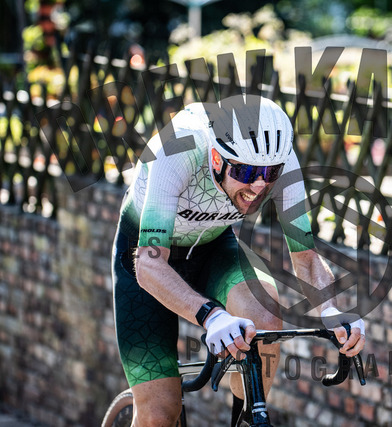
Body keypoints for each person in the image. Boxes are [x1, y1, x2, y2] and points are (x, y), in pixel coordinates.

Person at [111, 94, 365, 426]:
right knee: (160, 413)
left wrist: (331, 309)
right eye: (245, 171)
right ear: (217, 158)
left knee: (266, 318)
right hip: (145, 258)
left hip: (213, 247)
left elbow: (305, 256)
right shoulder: (178, 149)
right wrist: (212, 315)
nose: (259, 185)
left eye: (269, 173)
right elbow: (148, 264)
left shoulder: (281, 160)